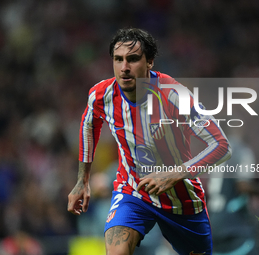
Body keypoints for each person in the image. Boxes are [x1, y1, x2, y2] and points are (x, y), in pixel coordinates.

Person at [68, 28, 232, 255]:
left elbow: (222, 146)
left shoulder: (175, 95)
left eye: (133, 59)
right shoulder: (101, 95)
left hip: (181, 200)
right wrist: (82, 180)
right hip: (133, 191)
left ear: (150, 62)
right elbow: (89, 125)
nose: (124, 67)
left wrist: (174, 174)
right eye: (118, 60)